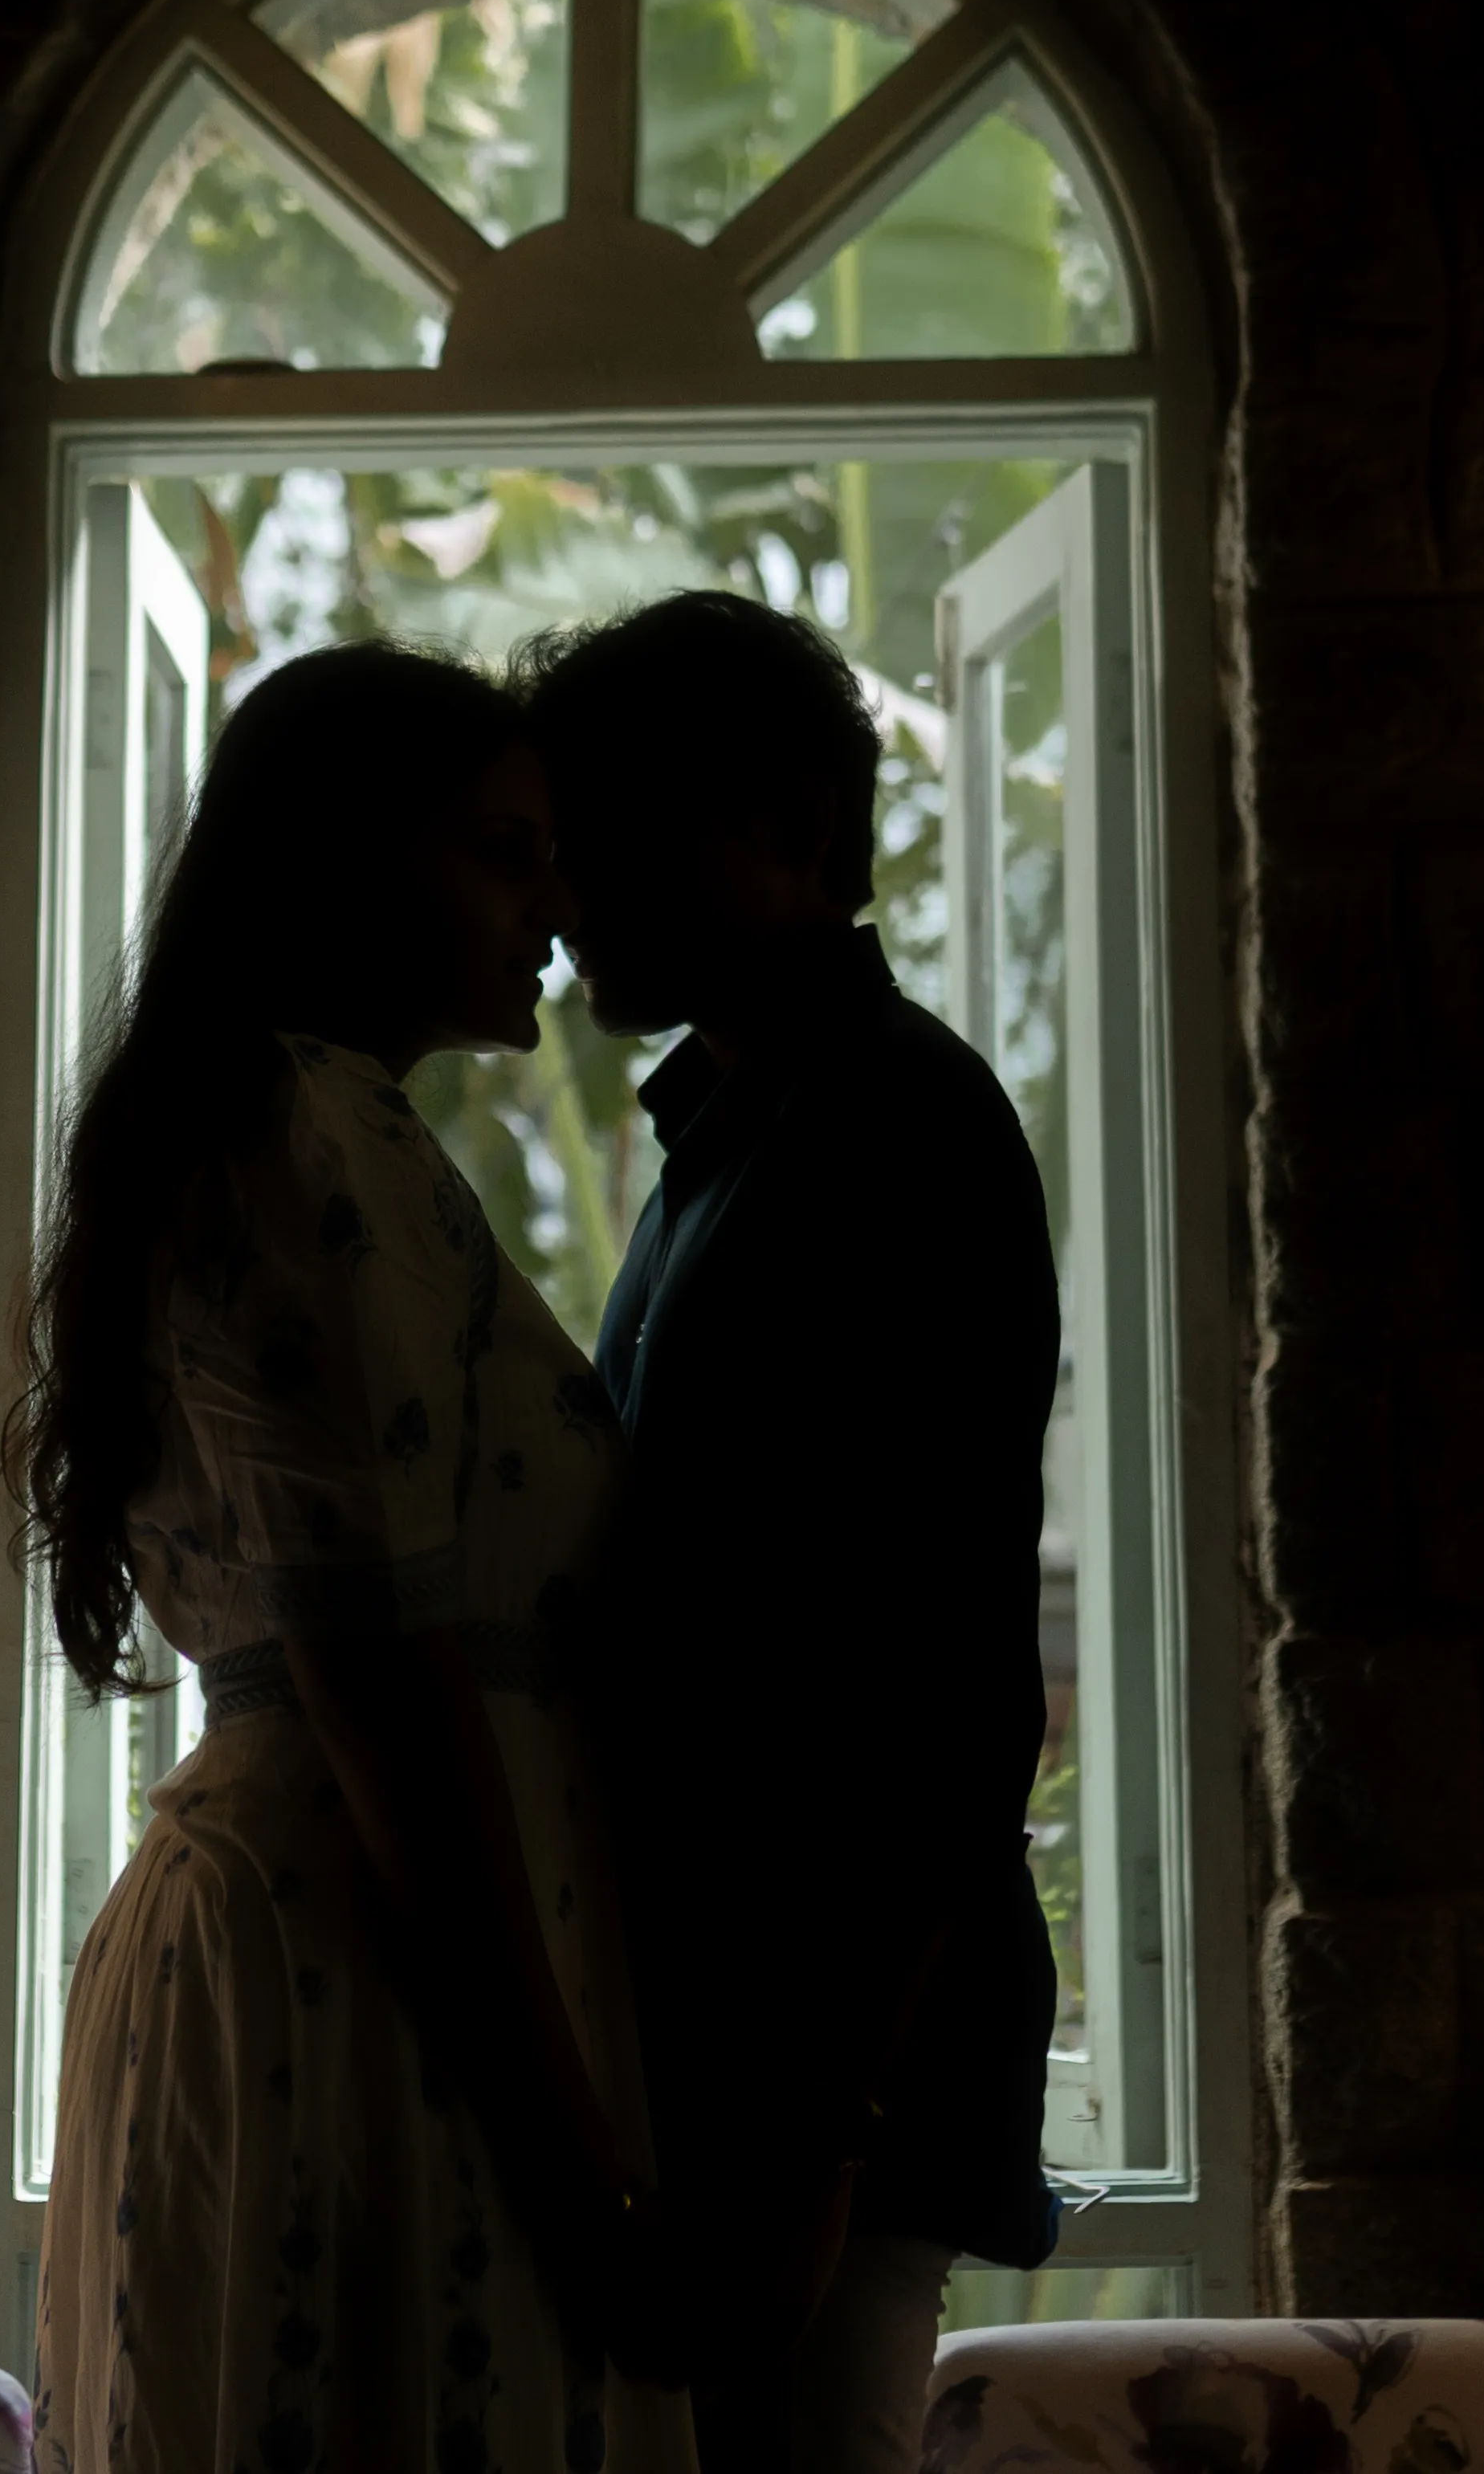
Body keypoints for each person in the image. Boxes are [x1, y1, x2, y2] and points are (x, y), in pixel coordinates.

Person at [15, 639, 679, 2474]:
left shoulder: (305, 1126)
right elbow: (382, 1678)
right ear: (350, 865)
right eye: (499, 854)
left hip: (340, 1924)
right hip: (353, 1945)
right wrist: (581, 2174)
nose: (555, 902)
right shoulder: (310, 1132)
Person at [520, 593, 1066, 2474]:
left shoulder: (898, 1136)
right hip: (737, 2048)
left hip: (827, 2062)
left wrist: (831, 2126)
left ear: (783, 835)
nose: (560, 886)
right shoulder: (730, 1136)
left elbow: (944, 1680)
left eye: (598, 833)